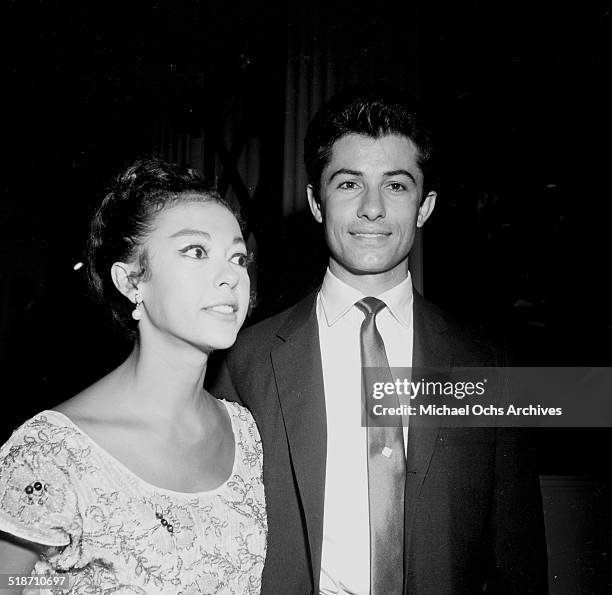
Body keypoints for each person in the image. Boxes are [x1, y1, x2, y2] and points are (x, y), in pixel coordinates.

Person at [211, 87, 548, 593]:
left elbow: (517, 554)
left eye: (396, 185)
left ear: (425, 206)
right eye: (349, 183)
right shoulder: (246, 359)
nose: (372, 208)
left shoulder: (486, 360)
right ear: (315, 202)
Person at [0, 159, 266, 594]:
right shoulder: (49, 454)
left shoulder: (247, 436)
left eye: (238, 257)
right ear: (131, 282)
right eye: (196, 252)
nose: (231, 276)